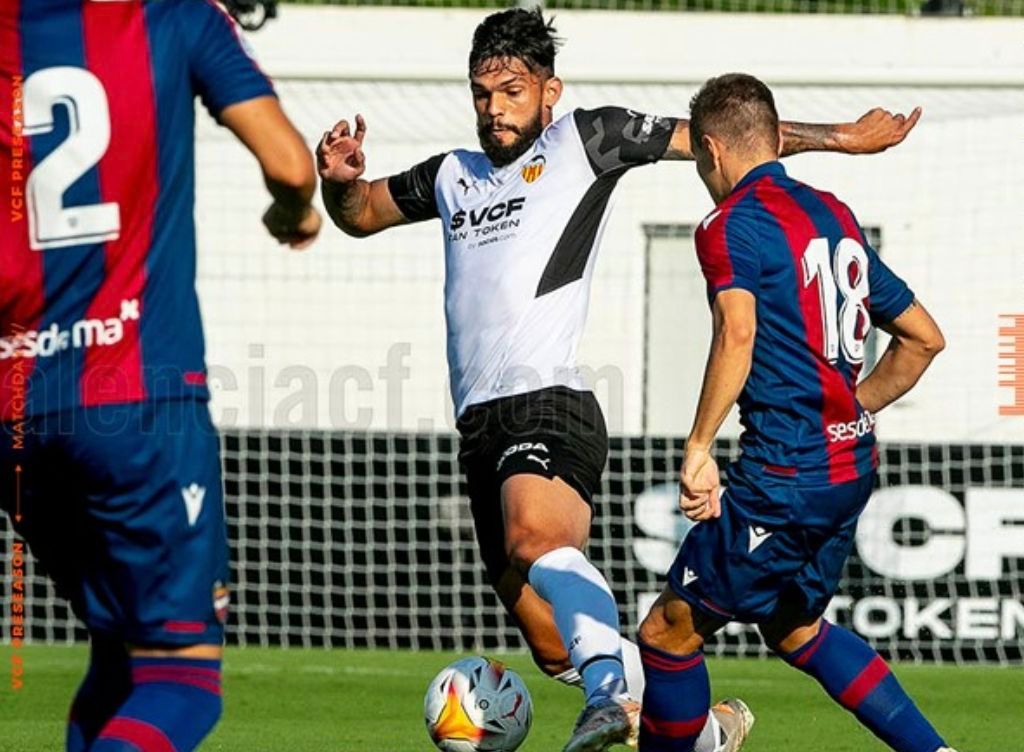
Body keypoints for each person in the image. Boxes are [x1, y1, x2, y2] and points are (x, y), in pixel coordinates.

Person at [316, 9, 920, 752]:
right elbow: (362, 212)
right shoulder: (451, 176)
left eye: (511, 90)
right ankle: (706, 733)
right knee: (547, 642)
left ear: (549, 91)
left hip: (550, 398)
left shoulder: (584, 139)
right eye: (482, 93)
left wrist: (842, 139)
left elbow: (718, 133)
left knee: (538, 539)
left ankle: (607, 695)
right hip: (480, 425)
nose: (495, 108)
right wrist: (338, 184)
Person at [0, 2, 320, 750]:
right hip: (135, 400)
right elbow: (289, 164)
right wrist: (296, 212)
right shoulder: (171, 17)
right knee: (182, 679)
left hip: (12, 415)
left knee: (119, 650)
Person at [636, 73, 952, 752]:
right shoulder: (834, 215)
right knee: (794, 626)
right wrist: (848, 408)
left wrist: (698, 447)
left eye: (699, 164)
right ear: (776, 139)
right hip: (849, 469)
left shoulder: (730, 225)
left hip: (784, 475)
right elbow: (924, 338)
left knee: (667, 633)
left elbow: (737, 333)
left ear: (713, 152)